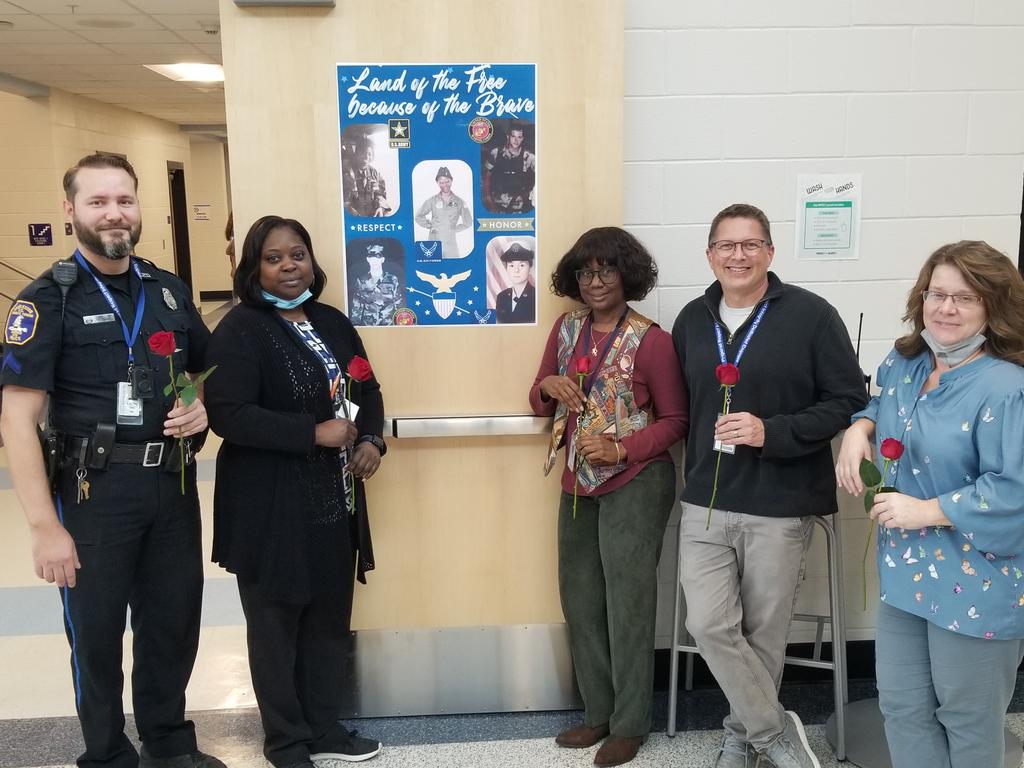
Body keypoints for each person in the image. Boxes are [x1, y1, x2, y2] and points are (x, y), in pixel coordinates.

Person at [0, 153, 222, 768]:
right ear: (69, 211)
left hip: (171, 484)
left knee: (173, 622)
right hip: (92, 492)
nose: (113, 213)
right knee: (96, 635)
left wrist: (196, 403)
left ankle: (168, 744)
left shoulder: (166, 290)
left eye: (124, 200)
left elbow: (202, 369)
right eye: (97, 202)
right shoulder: (46, 300)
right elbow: (16, 420)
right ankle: (106, 755)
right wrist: (44, 527)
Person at [671, 203, 867, 768]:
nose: (738, 255)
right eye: (727, 245)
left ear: (770, 252)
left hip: (781, 500)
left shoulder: (812, 315)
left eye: (750, 244)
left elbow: (848, 402)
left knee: (763, 632)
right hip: (707, 499)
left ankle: (742, 738)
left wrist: (770, 431)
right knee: (708, 623)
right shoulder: (690, 320)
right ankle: (774, 731)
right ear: (710, 254)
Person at [204, 215, 386, 768]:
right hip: (270, 507)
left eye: (297, 254)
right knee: (275, 627)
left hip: (334, 500)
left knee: (328, 621)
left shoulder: (333, 322)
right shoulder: (239, 330)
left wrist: (372, 440)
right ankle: (285, 741)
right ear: (254, 267)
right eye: (274, 257)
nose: (289, 266)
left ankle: (324, 728)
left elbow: (367, 388)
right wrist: (313, 433)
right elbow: (229, 415)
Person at [835, 241, 1024, 768]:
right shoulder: (908, 361)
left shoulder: (1008, 388)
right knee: (902, 709)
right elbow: (882, 403)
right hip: (906, 572)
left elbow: (1013, 488)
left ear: (994, 305)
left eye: (965, 298)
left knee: (968, 720)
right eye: (936, 294)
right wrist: (859, 428)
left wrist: (925, 511)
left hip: (980, 579)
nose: (946, 309)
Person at [530, 227, 688, 767]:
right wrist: (548, 386)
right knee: (580, 599)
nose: (595, 282)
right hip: (577, 482)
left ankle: (629, 723)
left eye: (607, 271)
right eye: (585, 272)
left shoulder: (652, 340)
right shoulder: (566, 329)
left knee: (628, 605)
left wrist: (622, 449)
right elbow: (536, 396)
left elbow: (677, 421)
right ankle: (597, 711)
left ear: (628, 275)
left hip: (637, 482)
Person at [414, 166, 471, 259]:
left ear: (451, 181)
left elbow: (468, 222)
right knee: (432, 266)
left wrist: (453, 230)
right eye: (441, 182)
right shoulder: (432, 200)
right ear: (437, 183)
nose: (445, 184)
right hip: (434, 242)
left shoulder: (459, 202)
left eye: (447, 181)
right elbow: (418, 216)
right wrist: (430, 226)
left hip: (450, 244)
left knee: (453, 266)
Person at [483, 124, 536, 214]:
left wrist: (531, 195)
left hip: (520, 207)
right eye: (513, 136)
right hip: (498, 205)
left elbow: (541, 176)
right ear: (508, 137)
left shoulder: (529, 157)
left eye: (519, 137)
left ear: (522, 139)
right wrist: (488, 199)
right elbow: (487, 176)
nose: (516, 140)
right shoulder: (496, 153)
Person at [349, 242, 402, 326]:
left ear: (382, 259)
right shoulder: (361, 281)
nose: (374, 261)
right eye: (372, 258)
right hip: (368, 326)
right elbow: (356, 307)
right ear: (368, 259)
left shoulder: (393, 280)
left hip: (388, 326)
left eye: (377, 258)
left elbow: (399, 304)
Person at [342, 138, 391, 218]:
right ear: (357, 154)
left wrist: (380, 208)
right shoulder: (346, 173)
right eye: (363, 153)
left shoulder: (375, 173)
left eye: (369, 154)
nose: (366, 157)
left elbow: (381, 195)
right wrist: (355, 215)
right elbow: (343, 201)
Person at [494, 241, 536, 324]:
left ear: (530, 268)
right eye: (511, 265)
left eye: (522, 265)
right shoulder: (501, 297)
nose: (516, 270)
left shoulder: (536, 296)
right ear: (506, 268)